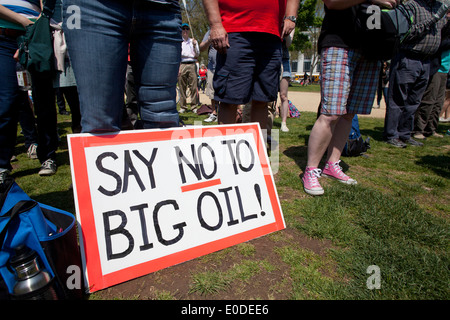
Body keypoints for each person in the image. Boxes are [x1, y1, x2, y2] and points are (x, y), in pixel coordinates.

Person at [301, 0, 398, 196]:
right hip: (339, 43)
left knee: (349, 113)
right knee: (331, 113)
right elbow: (332, 2)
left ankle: (332, 164)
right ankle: (311, 170)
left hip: (371, 48)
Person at [63, 0, 181, 133]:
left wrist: (211, 19)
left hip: (163, 8)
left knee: (164, 121)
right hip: (92, 6)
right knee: (100, 121)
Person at [202, 0, 299, 138]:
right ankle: (225, 155)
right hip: (235, 30)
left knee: (262, 100)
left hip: (272, 33)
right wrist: (216, 24)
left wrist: (291, 15)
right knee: (229, 100)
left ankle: (257, 153)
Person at [0, 0, 59, 179]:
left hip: (36, 36)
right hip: (5, 37)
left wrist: (38, 25)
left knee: (44, 99)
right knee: (7, 100)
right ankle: (2, 164)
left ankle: (48, 155)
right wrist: (23, 21)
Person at [383, 0, 449, 148]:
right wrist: (435, 18)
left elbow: (442, 35)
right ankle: (392, 134)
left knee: (414, 101)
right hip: (408, 57)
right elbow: (407, 34)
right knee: (399, 98)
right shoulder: (411, 6)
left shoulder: (438, 7)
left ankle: (405, 134)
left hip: (427, 61)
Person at [413, 19, 450, 139]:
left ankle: (431, 129)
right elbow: (439, 45)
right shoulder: (443, 30)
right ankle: (418, 129)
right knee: (429, 100)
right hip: (437, 69)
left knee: (438, 103)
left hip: (445, 71)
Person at [52, 0, 82, 134]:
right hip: (64, 62)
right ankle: (79, 138)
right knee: (76, 108)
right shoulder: (52, 8)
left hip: (82, 58)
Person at [178, 22, 200, 114]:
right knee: (182, 86)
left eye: (187, 29)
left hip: (192, 64)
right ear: (181, 30)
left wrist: (195, 46)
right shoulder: (178, 41)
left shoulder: (193, 41)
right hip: (182, 63)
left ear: (189, 30)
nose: (185, 31)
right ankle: (183, 106)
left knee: (193, 86)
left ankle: (194, 106)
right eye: (184, 29)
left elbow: (197, 54)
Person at [200, 29, 218, 123]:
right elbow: (201, 48)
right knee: (212, 92)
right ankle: (214, 113)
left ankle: (223, 114)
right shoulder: (210, 31)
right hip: (212, 68)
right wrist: (209, 40)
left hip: (225, 68)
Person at [280, 30, 294, 133]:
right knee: (265, 99)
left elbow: (288, 43)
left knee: (283, 95)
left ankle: (283, 123)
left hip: (283, 60)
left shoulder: (290, 22)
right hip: (269, 59)